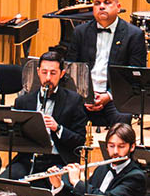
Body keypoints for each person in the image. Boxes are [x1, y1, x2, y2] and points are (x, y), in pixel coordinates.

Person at [64, 0, 146, 127]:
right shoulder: (80, 32)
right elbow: (71, 67)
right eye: (97, 3)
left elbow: (135, 74)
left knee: (122, 121)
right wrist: (85, 95)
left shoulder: (134, 35)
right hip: (84, 94)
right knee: (61, 112)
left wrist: (108, 96)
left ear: (118, 7)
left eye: (107, 2)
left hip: (115, 95)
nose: (101, 7)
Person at [6, 49, 88, 178]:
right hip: (28, 160)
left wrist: (58, 128)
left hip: (59, 160)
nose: (48, 78)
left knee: (60, 187)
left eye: (53, 73)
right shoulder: (23, 102)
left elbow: (80, 140)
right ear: (38, 72)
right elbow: (16, 139)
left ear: (62, 74)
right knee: (5, 181)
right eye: (44, 72)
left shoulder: (74, 101)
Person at [49, 121, 146, 196]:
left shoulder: (135, 177)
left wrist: (76, 181)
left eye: (121, 146)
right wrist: (58, 184)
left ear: (132, 147)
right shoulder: (102, 169)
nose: (115, 151)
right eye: (111, 146)